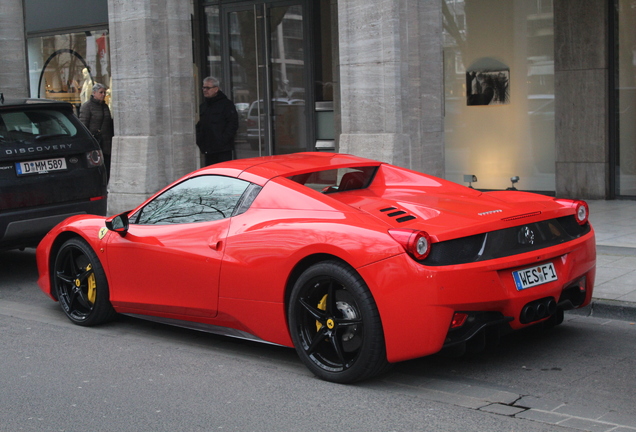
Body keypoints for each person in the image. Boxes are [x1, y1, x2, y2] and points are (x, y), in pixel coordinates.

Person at [196, 77, 239, 165]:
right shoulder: (203, 106)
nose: (205, 90)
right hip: (208, 149)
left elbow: (233, 124)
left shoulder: (226, 105)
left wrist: (223, 140)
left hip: (223, 149)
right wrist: (200, 140)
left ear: (216, 89)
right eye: (203, 87)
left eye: (208, 88)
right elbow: (200, 125)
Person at [79, 83, 113, 178]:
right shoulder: (87, 107)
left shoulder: (105, 107)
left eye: (104, 92)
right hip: (95, 142)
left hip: (106, 143)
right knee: (96, 168)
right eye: (101, 92)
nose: (103, 94)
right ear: (94, 93)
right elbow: (83, 125)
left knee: (107, 167)